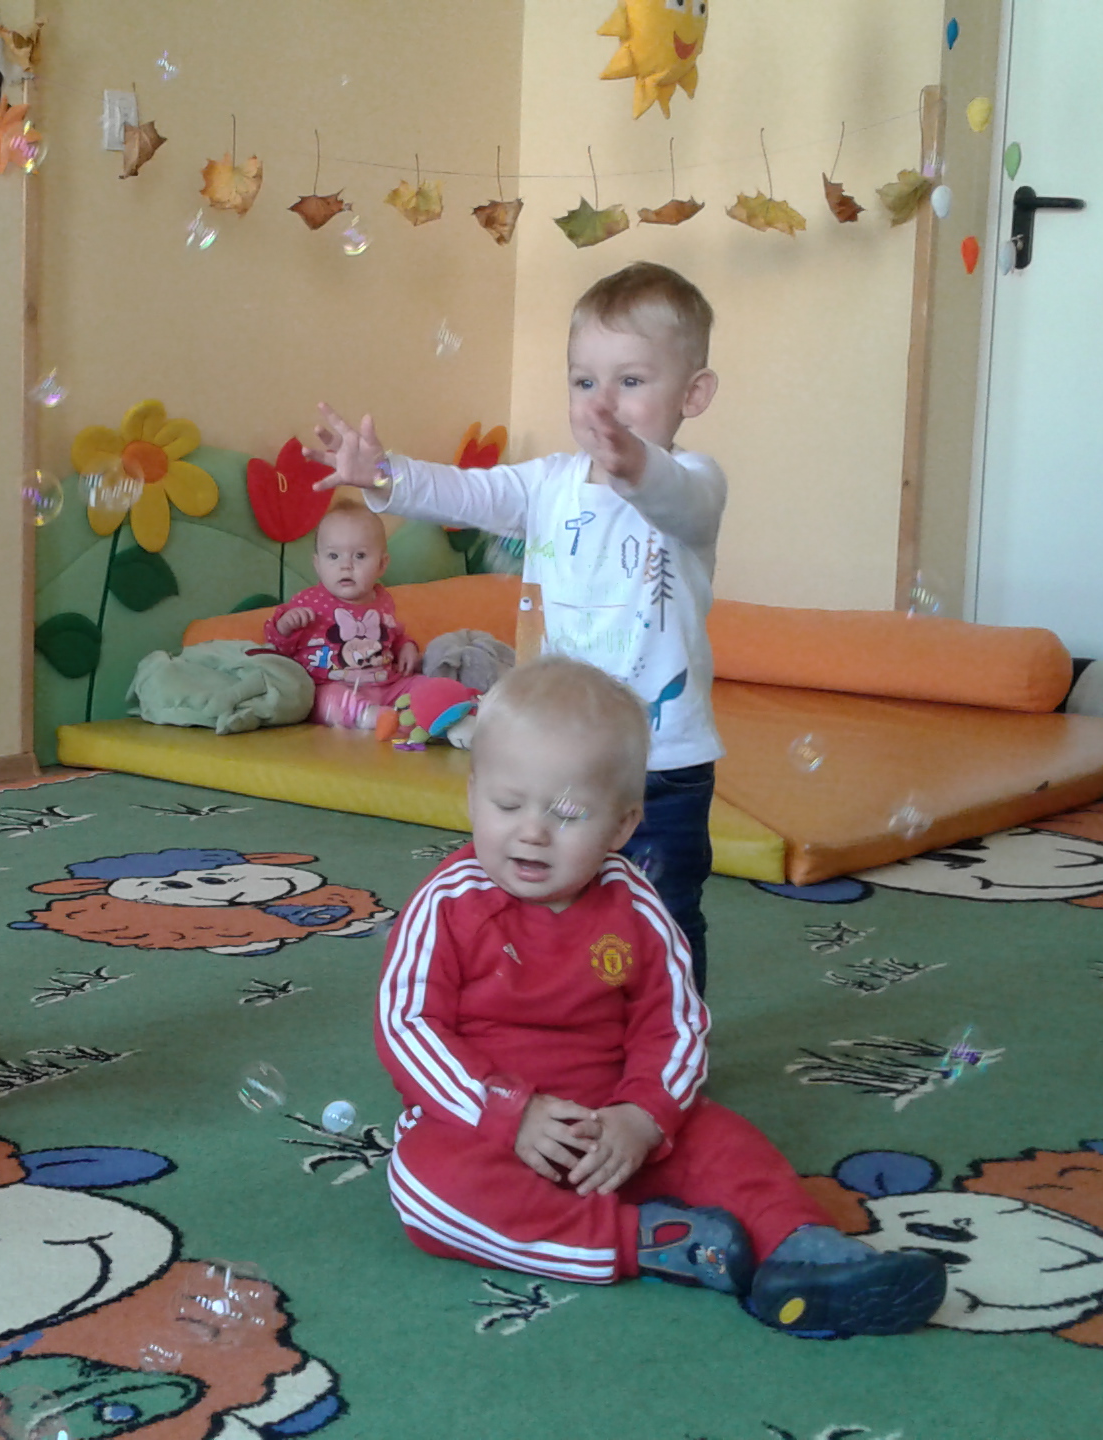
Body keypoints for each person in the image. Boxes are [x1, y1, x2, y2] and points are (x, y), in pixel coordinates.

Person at [374, 659, 947, 1339]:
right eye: (507, 805)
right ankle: (648, 1241)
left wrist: (643, 1117)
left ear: (621, 827)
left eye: (567, 813)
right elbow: (408, 1025)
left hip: (617, 1125)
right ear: (473, 796)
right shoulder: (448, 904)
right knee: (424, 1187)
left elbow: (675, 1027)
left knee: (724, 1142)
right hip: (489, 1130)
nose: (532, 832)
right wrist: (509, 1113)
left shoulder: (635, 908)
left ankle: (801, 1248)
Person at [314, 261, 728, 989]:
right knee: (555, 901)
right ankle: (566, 1016)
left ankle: (672, 1030)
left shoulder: (695, 482)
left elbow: (676, 499)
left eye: (631, 381)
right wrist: (384, 475)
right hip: (557, 755)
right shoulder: (549, 484)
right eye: (584, 381)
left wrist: (636, 464)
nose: (603, 404)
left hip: (661, 760)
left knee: (663, 908)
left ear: (693, 394)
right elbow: (466, 493)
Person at [265, 504, 425, 727]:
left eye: (360, 555)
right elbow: (277, 647)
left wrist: (406, 646)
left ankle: (444, 707)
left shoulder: (383, 600)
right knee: (326, 701)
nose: (346, 566)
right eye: (333, 556)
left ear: (381, 565)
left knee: (424, 685)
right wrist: (285, 626)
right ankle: (369, 716)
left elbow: (393, 634)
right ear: (317, 564)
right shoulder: (307, 602)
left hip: (387, 684)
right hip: (331, 685)